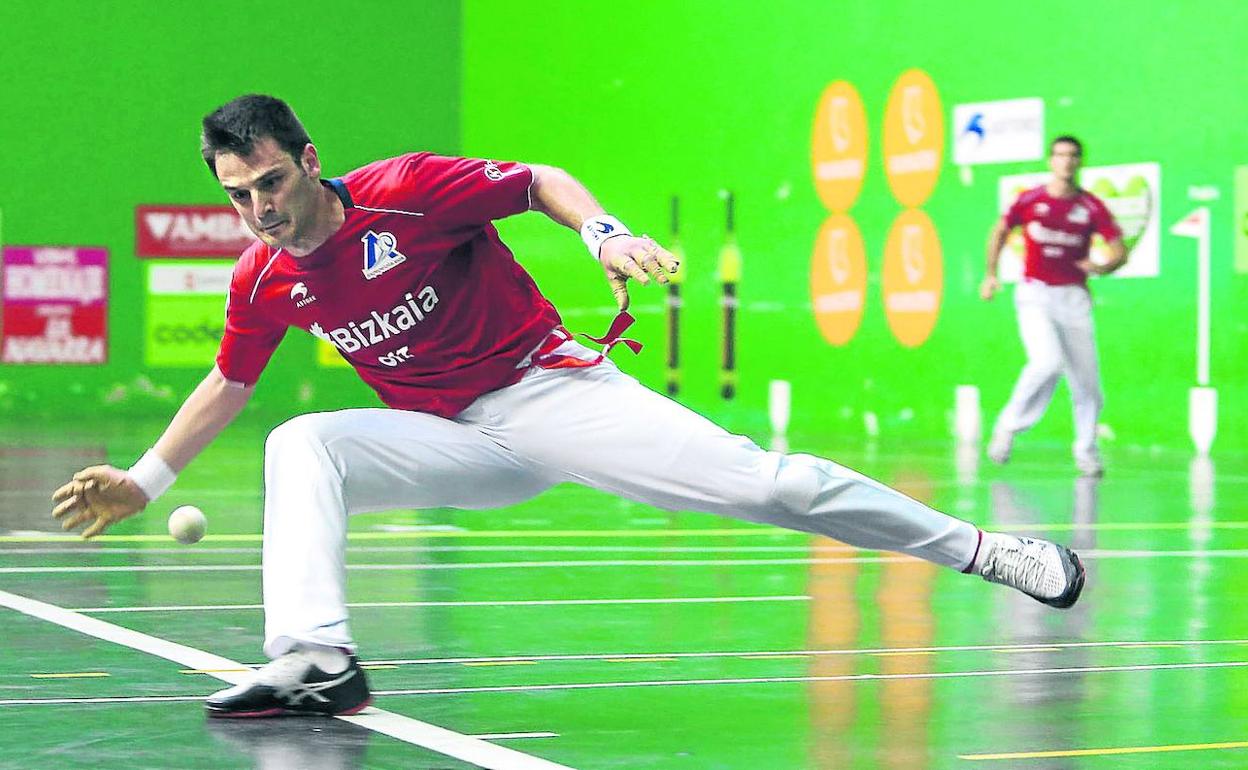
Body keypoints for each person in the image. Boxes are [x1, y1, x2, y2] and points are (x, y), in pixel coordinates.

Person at [52, 95, 1086, 718]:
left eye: (270, 182)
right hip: (450, 440)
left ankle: (992, 553)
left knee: (770, 485)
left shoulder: (407, 192)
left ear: (308, 160)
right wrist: (146, 480)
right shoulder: (264, 278)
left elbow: (539, 179)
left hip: (550, 394)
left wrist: (602, 233)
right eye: (239, 195)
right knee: (302, 440)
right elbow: (230, 380)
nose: (260, 210)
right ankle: (318, 656)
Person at [980, 135, 1127, 476]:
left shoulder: (1091, 207)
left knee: (1088, 384)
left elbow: (1119, 250)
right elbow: (1000, 231)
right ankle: (1008, 426)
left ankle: (1087, 452)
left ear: (1080, 162)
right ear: (1050, 160)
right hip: (1035, 294)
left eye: (1073, 155)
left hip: (1074, 298)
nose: (1066, 161)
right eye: (1060, 155)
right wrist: (990, 274)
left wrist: (1103, 266)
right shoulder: (1030, 200)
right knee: (1046, 362)